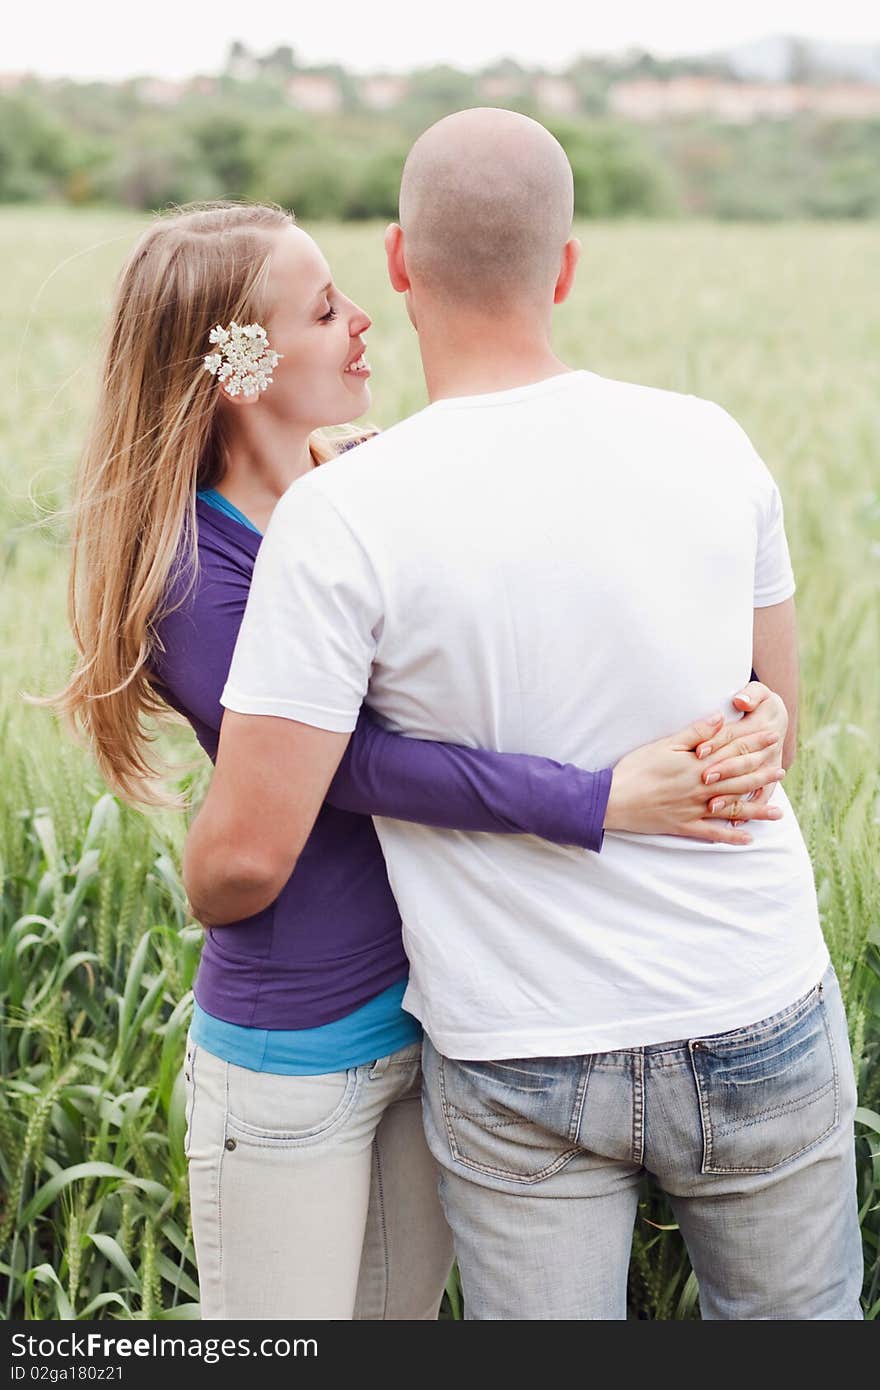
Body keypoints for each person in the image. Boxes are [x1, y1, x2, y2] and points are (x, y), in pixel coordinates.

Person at [43, 200, 788, 1322]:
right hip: (301, 1043)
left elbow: (556, 630)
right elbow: (352, 766)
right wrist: (595, 799)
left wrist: (752, 706)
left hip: (438, 1019)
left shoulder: (359, 496)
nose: (365, 322)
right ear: (240, 363)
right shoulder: (199, 576)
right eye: (325, 306)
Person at [182, 114, 863, 1321]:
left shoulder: (340, 515)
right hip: (751, 993)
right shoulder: (712, 440)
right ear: (566, 264)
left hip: (517, 1045)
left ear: (399, 263)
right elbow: (775, 730)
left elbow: (243, 845)